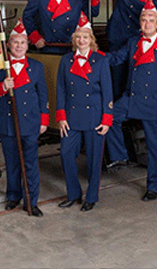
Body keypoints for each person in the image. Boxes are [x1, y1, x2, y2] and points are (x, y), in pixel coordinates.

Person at [106, 1, 157, 200]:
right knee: (108, 117)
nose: (147, 24)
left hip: (155, 103)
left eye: (151, 20)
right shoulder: (132, 42)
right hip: (131, 97)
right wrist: (93, 55)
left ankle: (155, 186)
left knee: (156, 148)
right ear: (140, 22)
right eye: (144, 20)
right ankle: (120, 156)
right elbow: (116, 58)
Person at [0, 19, 49, 217]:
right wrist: (2, 87)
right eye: (15, 42)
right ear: (9, 45)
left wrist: (44, 121)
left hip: (30, 122)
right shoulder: (0, 67)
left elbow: (43, 95)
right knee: (11, 163)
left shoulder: (36, 67)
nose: (19, 46)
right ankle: (13, 196)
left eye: (22, 42)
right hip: (8, 123)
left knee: (30, 163)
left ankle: (32, 200)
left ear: (27, 45)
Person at [56, 13, 113, 212]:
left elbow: (108, 91)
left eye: (85, 37)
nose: (81, 40)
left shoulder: (101, 60)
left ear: (91, 40)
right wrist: (61, 116)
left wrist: (107, 119)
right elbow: (61, 89)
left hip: (94, 116)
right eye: (78, 37)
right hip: (71, 117)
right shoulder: (65, 60)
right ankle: (73, 194)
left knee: (94, 159)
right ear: (74, 40)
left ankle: (91, 196)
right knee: (65, 154)